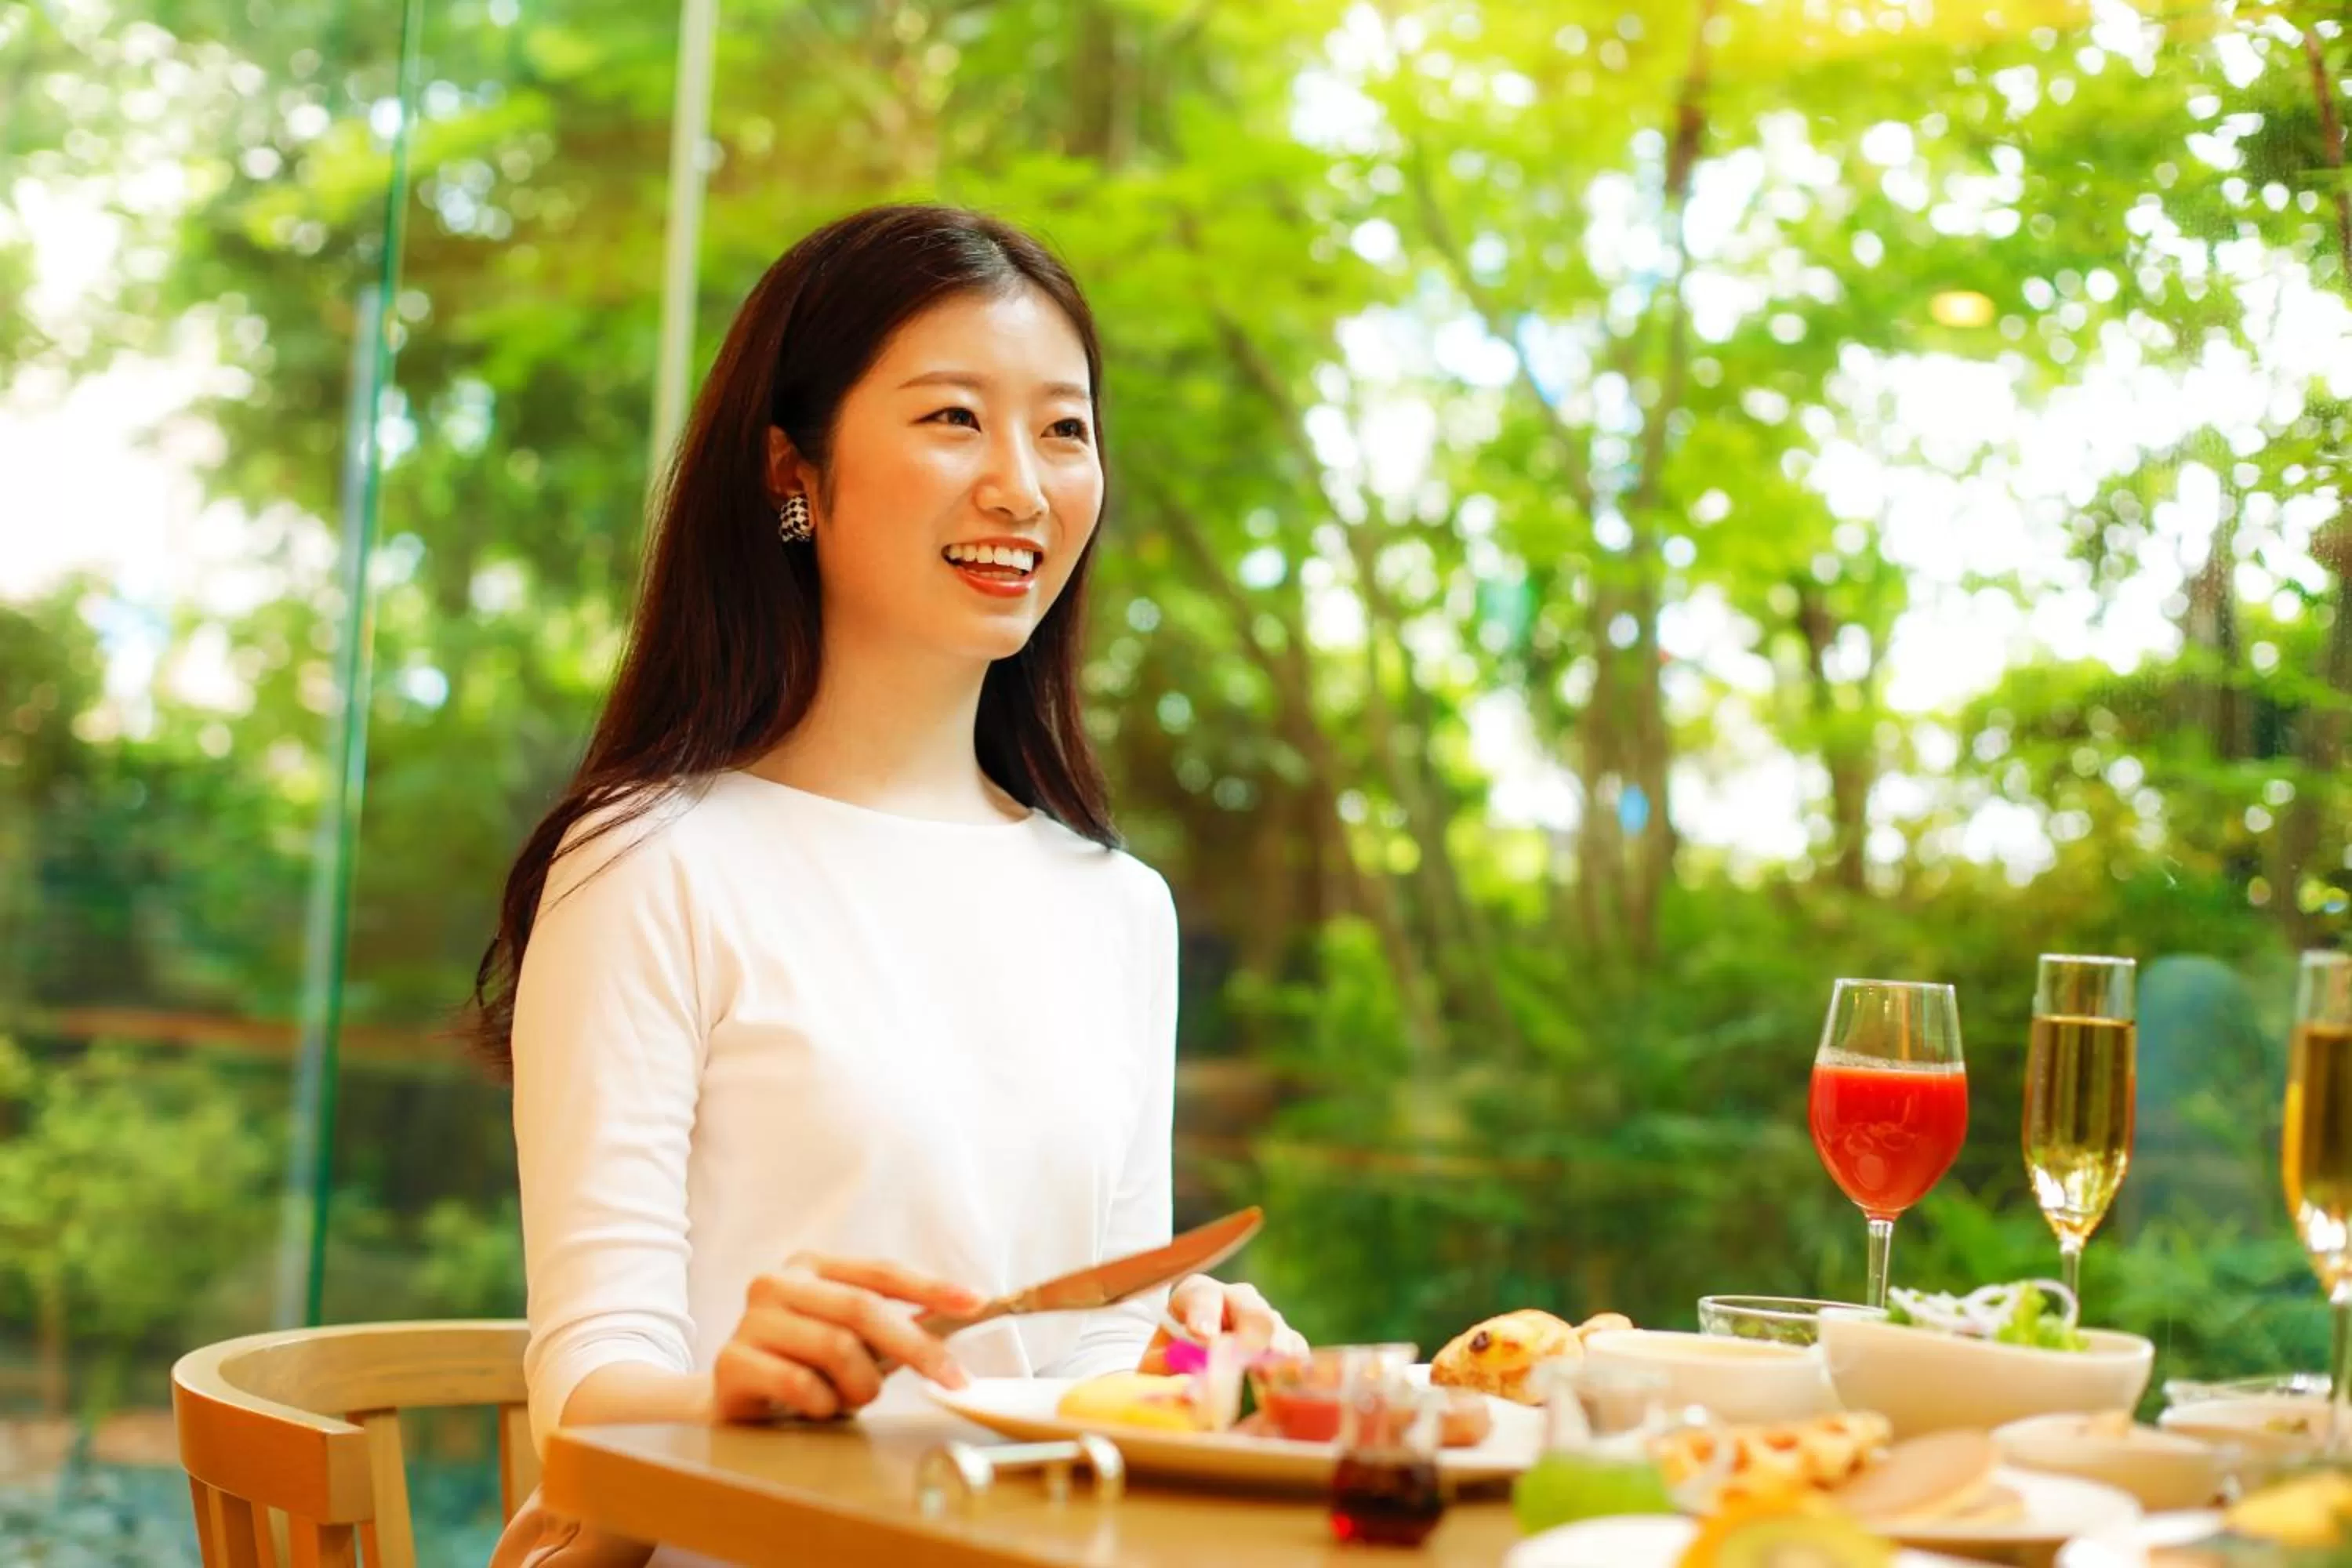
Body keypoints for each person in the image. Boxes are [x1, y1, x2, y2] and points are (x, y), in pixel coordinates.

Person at [479, 205, 1299, 1566]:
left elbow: (1087, 1349)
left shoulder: (1115, 908)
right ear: (792, 474)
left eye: (1065, 429)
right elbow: (588, 1396)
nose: (1023, 489)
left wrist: (1192, 1362)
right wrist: (733, 1399)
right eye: (952, 419)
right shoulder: (649, 861)